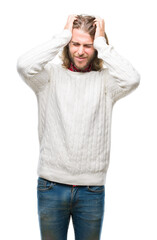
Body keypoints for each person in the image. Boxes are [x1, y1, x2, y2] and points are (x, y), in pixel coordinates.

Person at [17, 14, 140, 240]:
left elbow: (132, 79)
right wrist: (62, 36)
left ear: (96, 48)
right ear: (67, 45)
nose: (80, 51)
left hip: (91, 191)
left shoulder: (106, 82)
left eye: (88, 45)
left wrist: (103, 45)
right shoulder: (49, 78)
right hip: (51, 187)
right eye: (75, 44)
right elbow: (24, 65)